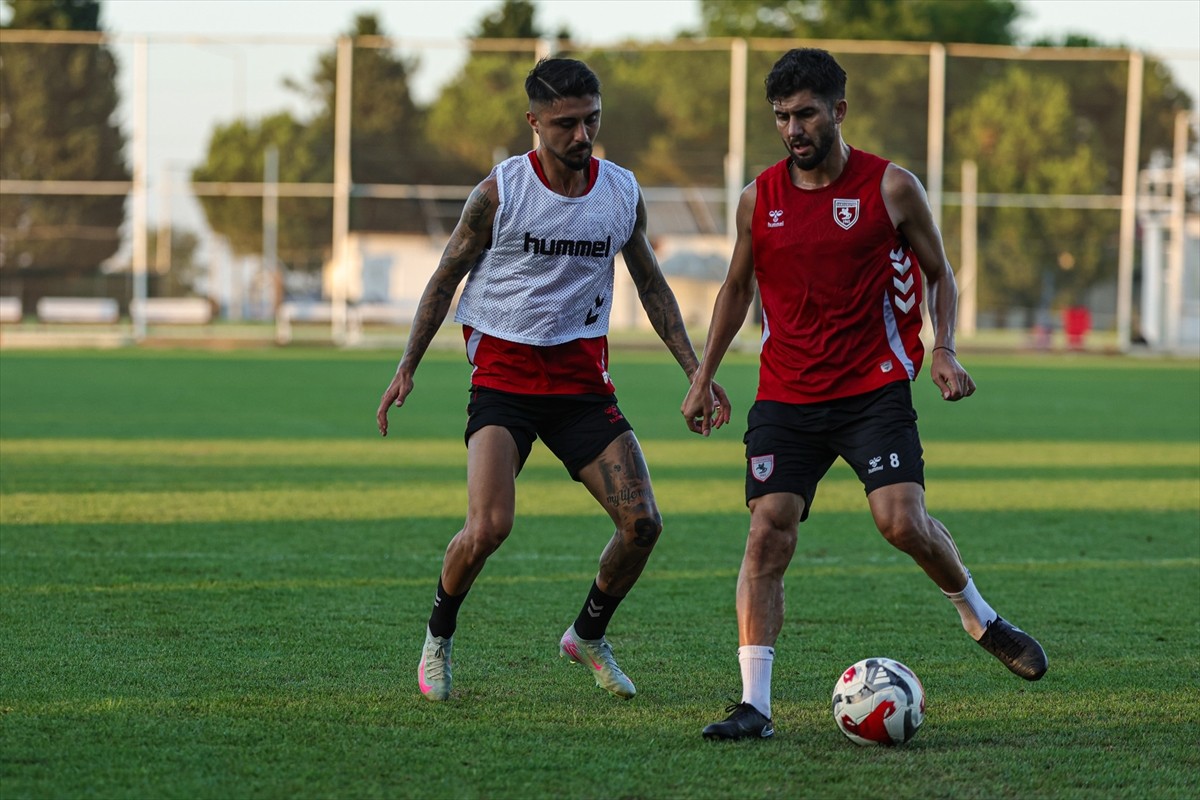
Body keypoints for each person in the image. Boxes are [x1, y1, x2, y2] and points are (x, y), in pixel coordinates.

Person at [680, 48, 1047, 741]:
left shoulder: (892, 188)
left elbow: (941, 274)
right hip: (787, 393)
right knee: (767, 533)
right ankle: (755, 705)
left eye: (807, 113)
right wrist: (704, 376)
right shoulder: (758, 198)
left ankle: (980, 617)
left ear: (838, 112)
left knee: (901, 523)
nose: (794, 128)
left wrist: (944, 348)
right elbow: (736, 288)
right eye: (782, 117)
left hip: (872, 388)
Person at [377, 57, 728, 703]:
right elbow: (445, 276)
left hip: (581, 386)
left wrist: (698, 372)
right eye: (566, 124)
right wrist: (407, 366)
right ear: (533, 122)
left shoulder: (621, 192)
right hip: (505, 380)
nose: (581, 135)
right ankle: (438, 635)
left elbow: (651, 284)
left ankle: (587, 636)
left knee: (643, 524)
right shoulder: (499, 193)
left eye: (591, 120)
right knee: (488, 529)